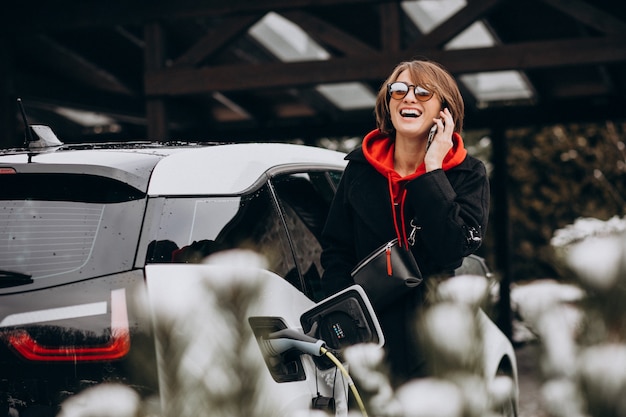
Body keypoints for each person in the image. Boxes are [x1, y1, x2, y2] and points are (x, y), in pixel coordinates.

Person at [319, 59, 489, 386]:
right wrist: (347, 315)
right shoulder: (359, 169)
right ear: (388, 102)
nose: (409, 97)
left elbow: (452, 249)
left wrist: (432, 170)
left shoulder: (469, 174)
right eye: (399, 90)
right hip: (372, 338)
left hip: (436, 339)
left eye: (424, 92)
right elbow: (336, 250)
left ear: (444, 111)